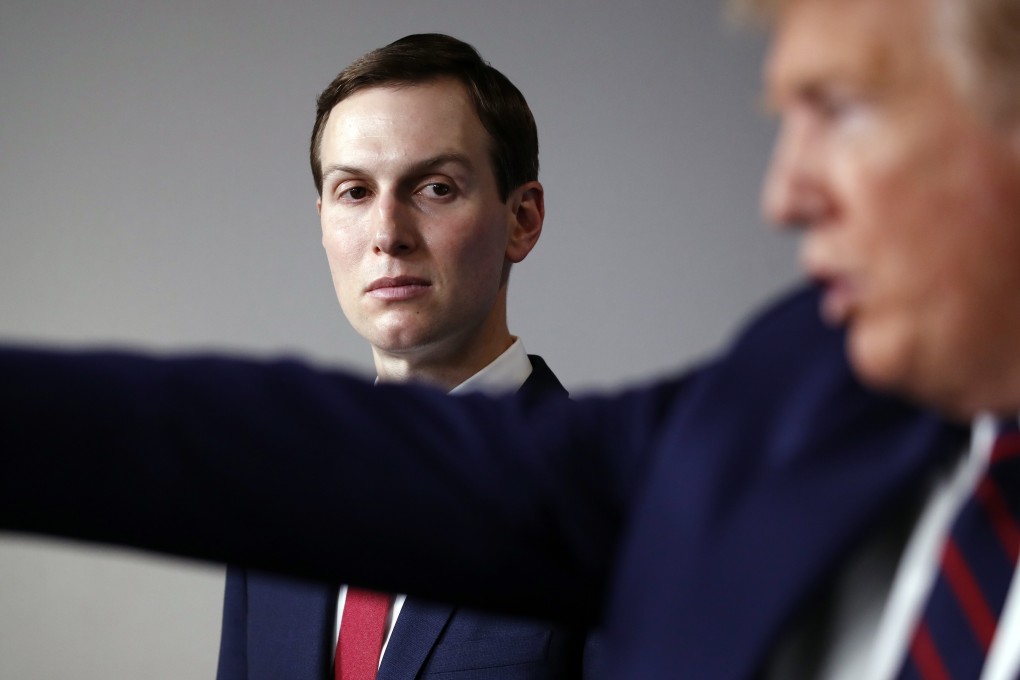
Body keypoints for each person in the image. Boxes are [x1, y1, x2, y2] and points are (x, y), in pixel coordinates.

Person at [1, 0, 1017, 678]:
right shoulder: (798, 396)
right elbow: (298, 456)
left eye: (843, 108)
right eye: (351, 191)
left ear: (521, 216)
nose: (785, 193)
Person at [215, 34, 592, 680]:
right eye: (355, 192)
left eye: (436, 188)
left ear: (522, 219)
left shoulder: (612, 504)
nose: (388, 234)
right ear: (324, 221)